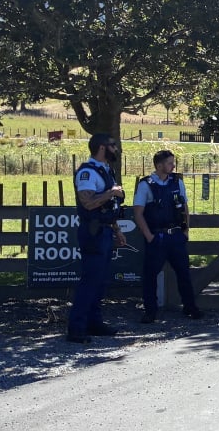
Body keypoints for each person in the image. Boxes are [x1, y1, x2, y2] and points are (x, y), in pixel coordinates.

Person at [67, 133, 127, 343]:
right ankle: (76, 329)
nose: (116, 149)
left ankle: (94, 322)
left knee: (100, 282)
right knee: (90, 281)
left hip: (105, 230)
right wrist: (111, 192)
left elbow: (109, 208)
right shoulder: (87, 172)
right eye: (113, 145)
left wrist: (117, 230)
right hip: (92, 232)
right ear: (102, 147)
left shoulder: (105, 170)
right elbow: (88, 203)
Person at [133, 150, 202, 323]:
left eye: (173, 162)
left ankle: (190, 307)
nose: (173, 166)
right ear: (159, 165)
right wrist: (149, 236)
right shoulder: (145, 185)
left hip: (176, 235)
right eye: (170, 163)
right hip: (157, 237)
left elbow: (184, 208)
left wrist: (186, 231)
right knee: (150, 276)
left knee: (184, 273)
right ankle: (151, 311)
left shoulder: (177, 182)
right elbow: (138, 213)